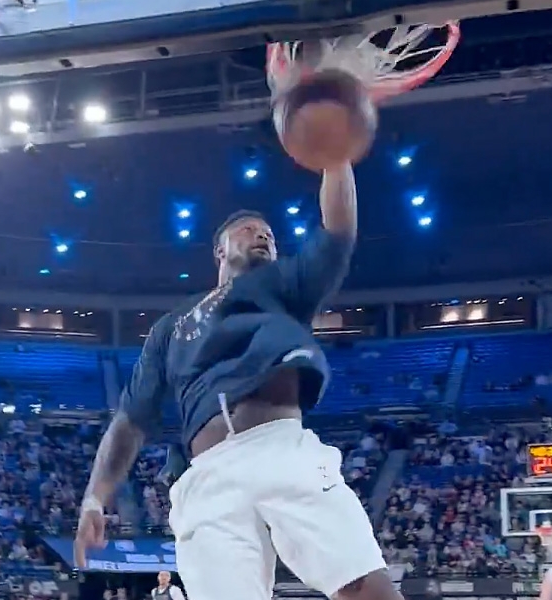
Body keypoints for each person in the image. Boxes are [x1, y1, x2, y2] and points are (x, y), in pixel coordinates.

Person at [75, 161, 395, 600]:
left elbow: (338, 230)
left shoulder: (283, 284)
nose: (263, 235)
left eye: (269, 234)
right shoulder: (170, 326)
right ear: (219, 250)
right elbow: (131, 419)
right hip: (208, 475)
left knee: (365, 586)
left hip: (281, 447)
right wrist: (95, 498)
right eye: (249, 229)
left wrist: (336, 157)